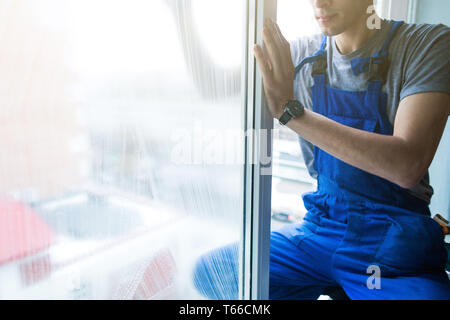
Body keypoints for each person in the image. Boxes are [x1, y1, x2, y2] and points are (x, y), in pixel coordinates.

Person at [184, 0, 450, 299]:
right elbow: (213, 87)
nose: (319, 2)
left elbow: (407, 166)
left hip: (393, 241)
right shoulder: (299, 55)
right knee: (214, 272)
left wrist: (291, 112)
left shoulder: (428, 44)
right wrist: (181, 15)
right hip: (321, 227)